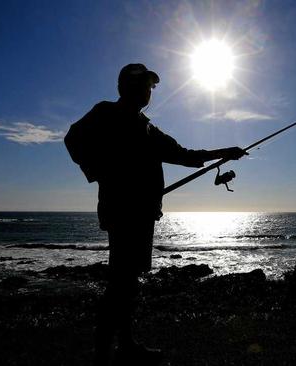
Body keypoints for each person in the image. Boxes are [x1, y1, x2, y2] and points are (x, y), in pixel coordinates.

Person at [65, 63, 246, 366]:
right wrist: (98, 170)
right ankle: (104, 353)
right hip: (123, 212)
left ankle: (124, 345)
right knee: (120, 282)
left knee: (128, 281)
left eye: (151, 86)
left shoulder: (147, 128)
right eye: (147, 85)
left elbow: (185, 155)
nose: (150, 91)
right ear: (131, 86)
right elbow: (73, 139)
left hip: (144, 212)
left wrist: (224, 152)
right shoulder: (106, 113)